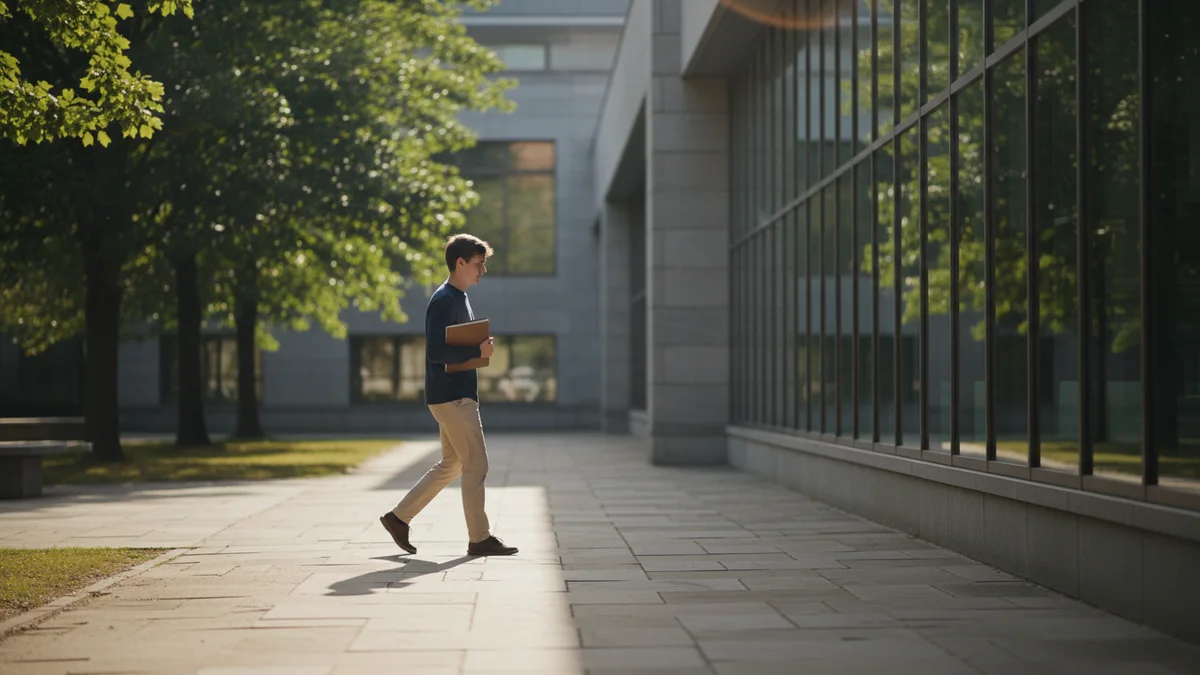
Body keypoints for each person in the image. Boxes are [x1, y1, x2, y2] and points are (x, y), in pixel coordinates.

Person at [379, 234, 518, 557]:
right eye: (478, 264)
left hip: (451, 394)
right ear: (460, 263)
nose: (482, 270)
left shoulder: (458, 297)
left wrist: (477, 351)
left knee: (453, 464)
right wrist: (477, 349)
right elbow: (437, 352)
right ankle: (479, 538)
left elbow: (450, 348)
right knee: (476, 464)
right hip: (453, 397)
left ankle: (398, 518)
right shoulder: (445, 300)